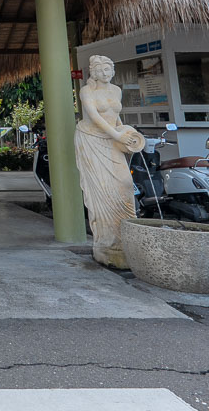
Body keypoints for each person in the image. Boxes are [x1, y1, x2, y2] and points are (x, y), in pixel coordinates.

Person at [75, 54, 145, 269]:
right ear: (93, 73)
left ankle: (125, 237)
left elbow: (116, 117)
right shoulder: (87, 91)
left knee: (124, 185)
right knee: (102, 190)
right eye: (100, 70)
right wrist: (117, 136)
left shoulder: (116, 91)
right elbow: (95, 117)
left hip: (114, 139)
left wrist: (126, 133)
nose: (105, 73)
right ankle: (107, 244)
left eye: (108, 69)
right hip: (92, 141)